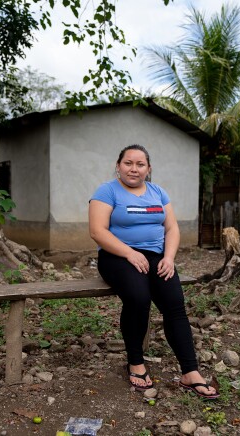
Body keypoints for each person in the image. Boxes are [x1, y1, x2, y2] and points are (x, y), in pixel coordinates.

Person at [88, 144, 219, 399]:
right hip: (116, 256)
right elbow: (98, 231)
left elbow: (172, 229)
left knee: (174, 304)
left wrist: (169, 258)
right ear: (118, 165)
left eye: (140, 164)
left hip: (156, 256)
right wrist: (129, 252)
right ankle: (135, 362)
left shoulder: (158, 192)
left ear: (148, 169)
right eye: (128, 163)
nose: (134, 169)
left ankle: (190, 372)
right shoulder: (106, 191)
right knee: (138, 297)